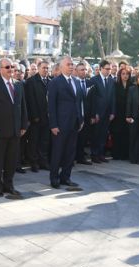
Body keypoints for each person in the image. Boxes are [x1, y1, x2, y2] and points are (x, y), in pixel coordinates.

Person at [0, 58, 28, 196]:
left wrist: (23, 125)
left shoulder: (19, 85)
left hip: (15, 130)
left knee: (11, 160)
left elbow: (23, 107)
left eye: (12, 67)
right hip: (0, 130)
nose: (11, 70)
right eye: (7, 67)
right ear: (0, 70)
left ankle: (9, 185)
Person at [48, 56, 84, 189]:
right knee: (58, 152)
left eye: (72, 64)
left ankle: (66, 177)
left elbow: (78, 102)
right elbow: (51, 105)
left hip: (74, 123)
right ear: (61, 67)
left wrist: (81, 119)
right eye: (68, 64)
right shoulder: (55, 82)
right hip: (60, 124)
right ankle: (54, 178)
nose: (71, 66)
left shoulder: (76, 81)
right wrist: (53, 124)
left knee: (70, 152)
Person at [25, 61, 52, 171]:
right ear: (39, 68)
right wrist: (34, 116)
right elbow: (30, 100)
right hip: (36, 118)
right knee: (34, 141)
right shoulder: (31, 81)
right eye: (43, 68)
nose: (45, 70)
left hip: (47, 117)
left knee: (44, 141)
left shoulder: (50, 81)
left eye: (47, 68)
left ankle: (43, 161)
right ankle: (34, 163)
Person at [89, 60, 115, 163]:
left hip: (108, 113)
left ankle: (101, 154)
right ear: (101, 69)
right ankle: (94, 154)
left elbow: (113, 97)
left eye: (110, 69)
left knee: (104, 134)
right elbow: (92, 98)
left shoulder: (111, 80)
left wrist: (113, 112)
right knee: (96, 134)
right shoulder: (94, 80)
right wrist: (94, 113)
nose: (109, 71)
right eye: (107, 69)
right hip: (97, 113)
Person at [111, 67, 132, 160]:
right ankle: (116, 154)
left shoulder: (132, 85)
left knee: (126, 134)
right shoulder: (115, 85)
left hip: (128, 113)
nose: (125, 76)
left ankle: (125, 154)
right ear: (119, 75)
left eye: (127, 74)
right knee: (116, 134)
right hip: (117, 113)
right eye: (123, 74)